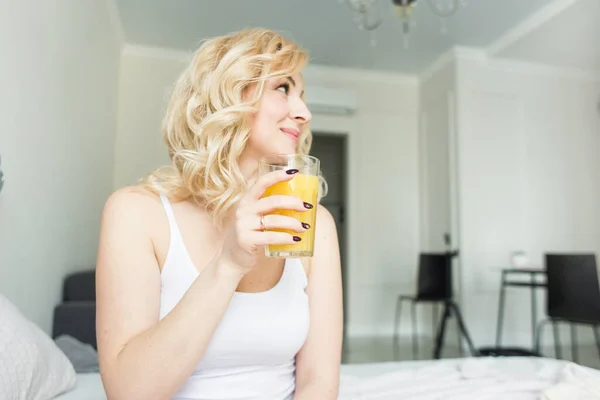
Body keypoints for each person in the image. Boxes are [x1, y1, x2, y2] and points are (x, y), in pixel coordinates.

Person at [95, 27, 343, 400]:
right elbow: (129, 392)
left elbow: (318, 383)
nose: (304, 113)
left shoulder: (316, 225)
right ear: (229, 94)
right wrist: (228, 264)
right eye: (283, 88)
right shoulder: (135, 214)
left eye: (302, 96)